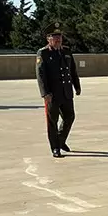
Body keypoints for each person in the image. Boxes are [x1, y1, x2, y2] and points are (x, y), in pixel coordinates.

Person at [36, 23, 82, 158]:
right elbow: (40, 75)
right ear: (48, 39)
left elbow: (72, 70)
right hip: (52, 94)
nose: (58, 39)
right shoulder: (43, 53)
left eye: (59, 37)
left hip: (66, 92)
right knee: (52, 121)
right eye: (55, 37)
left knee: (70, 117)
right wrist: (45, 93)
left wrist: (77, 86)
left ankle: (61, 140)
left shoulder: (66, 51)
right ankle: (55, 147)